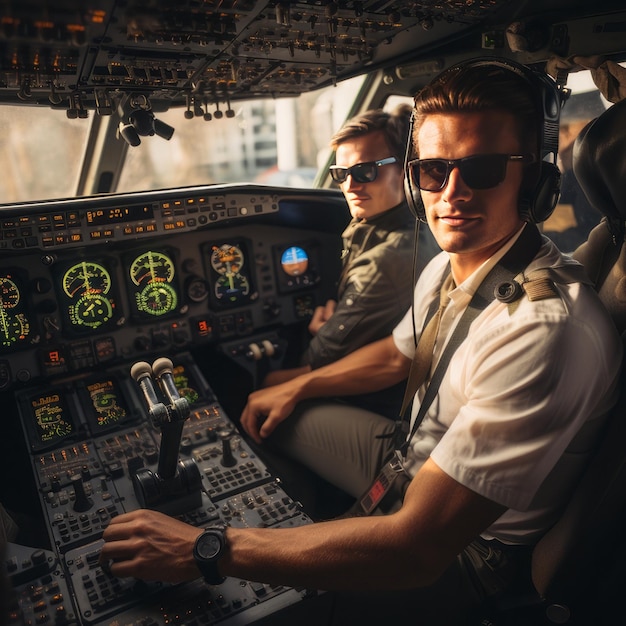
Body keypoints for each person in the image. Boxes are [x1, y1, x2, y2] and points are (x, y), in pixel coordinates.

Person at [100, 59, 622, 624]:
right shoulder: (455, 263)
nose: (452, 193)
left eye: (484, 169)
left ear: (538, 183)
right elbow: (397, 355)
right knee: (273, 413)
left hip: (469, 554)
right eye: (433, 170)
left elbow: (416, 550)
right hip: (410, 454)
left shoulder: (541, 330)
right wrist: (298, 388)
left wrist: (207, 548)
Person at [264, 105, 438, 417]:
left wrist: (319, 336)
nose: (350, 186)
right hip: (399, 392)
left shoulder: (385, 260)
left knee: (264, 389)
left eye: (365, 171)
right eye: (340, 174)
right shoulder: (420, 224)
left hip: (382, 408)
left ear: (405, 170)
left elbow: (315, 364)